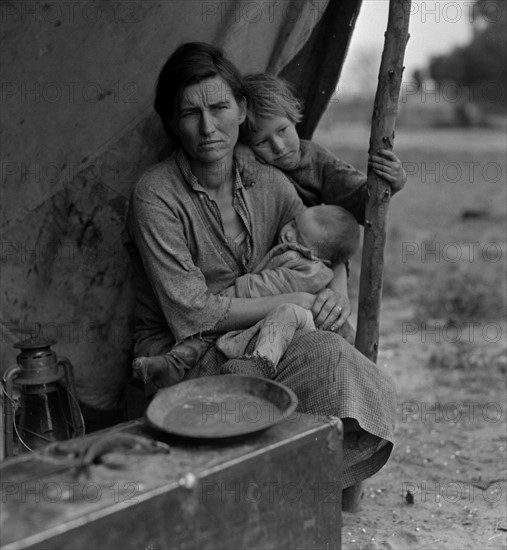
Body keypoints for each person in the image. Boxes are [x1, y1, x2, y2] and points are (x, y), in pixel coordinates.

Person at [123, 41, 396, 491]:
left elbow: (322, 248)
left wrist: (333, 293)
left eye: (219, 106)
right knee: (324, 352)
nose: (208, 126)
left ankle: (284, 485)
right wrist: (297, 299)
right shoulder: (156, 195)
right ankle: (264, 484)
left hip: (266, 344)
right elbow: (191, 313)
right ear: (172, 122)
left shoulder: (269, 182)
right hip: (185, 352)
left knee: (334, 349)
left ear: (242, 109)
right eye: (190, 113)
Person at [133, 203, 360, 386]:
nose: (288, 233)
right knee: (204, 336)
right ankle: (173, 364)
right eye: (293, 223)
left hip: (271, 313)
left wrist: (237, 292)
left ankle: (259, 365)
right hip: (261, 310)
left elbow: (271, 285)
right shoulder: (298, 251)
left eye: (299, 239)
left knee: (218, 329)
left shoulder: (309, 270)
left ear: (322, 259)